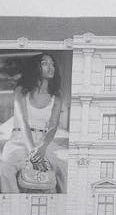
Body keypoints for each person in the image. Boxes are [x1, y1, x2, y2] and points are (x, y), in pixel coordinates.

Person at [0, 53, 68, 193]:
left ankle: (64, 209)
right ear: (36, 67)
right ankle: (14, 208)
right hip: (19, 140)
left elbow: (53, 126)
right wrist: (33, 153)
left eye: (53, 64)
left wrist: (42, 148)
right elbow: (23, 122)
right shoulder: (21, 91)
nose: (51, 67)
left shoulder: (57, 97)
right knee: (4, 169)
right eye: (45, 63)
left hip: (44, 143)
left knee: (67, 165)